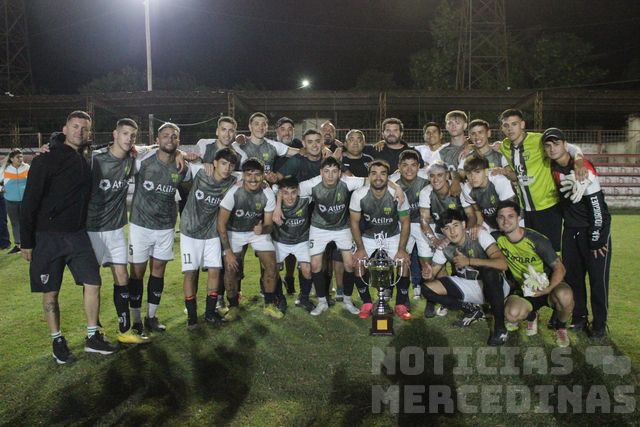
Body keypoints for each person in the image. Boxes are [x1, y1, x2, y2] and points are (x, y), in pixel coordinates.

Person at [20, 110, 116, 364]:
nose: (79, 132)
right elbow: (29, 202)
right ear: (65, 129)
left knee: (93, 282)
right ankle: (57, 340)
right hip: (47, 237)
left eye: (84, 128)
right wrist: (26, 241)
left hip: (77, 235)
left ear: (89, 132)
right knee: (51, 291)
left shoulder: (86, 158)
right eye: (75, 126)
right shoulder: (45, 159)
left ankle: (92, 337)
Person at [86, 118, 157, 344]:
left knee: (122, 277)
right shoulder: (95, 160)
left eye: (132, 135)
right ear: (115, 135)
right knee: (92, 282)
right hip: (92, 229)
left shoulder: (131, 158)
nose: (129, 138)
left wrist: (180, 154)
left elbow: (152, 148)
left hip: (116, 228)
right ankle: (94, 327)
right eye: (125, 133)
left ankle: (125, 330)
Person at [542, 128, 611, 338]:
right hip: (570, 231)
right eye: (548, 145)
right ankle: (579, 318)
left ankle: (599, 324)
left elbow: (598, 208)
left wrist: (597, 239)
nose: (552, 148)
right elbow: (572, 148)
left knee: (598, 281)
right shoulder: (553, 166)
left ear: (564, 144)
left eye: (556, 143)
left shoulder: (583, 167)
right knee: (574, 279)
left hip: (593, 231)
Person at [128, 122, 189, 333]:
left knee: (158, 272)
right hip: (140, 225)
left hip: (165, 227)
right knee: (137, 273)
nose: (170, 139)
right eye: (165, 135)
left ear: (178, 140)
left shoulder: (183, 167)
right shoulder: (143, 161)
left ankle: (151, 317)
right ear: (157, 139)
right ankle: (136, 320)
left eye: (174, 136)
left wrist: (182, 154)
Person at [498, 109, 586, 251]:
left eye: (514, 124)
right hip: (526, 210)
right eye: (506, 125)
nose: (510, 129)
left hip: (548, 207)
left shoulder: (539, 140)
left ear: (522, 124)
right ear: (502, 128)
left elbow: (571, 147)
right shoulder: (505, 145)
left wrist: (579, 161)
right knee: (534, 252)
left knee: (552, 252)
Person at [422, 209, 510, 346]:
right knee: (426, 288)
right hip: (468, 285)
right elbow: (432, 273)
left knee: (489, 272)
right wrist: (428, 274)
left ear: (463, 224)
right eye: (447, 228)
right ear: (443, 231)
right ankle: (471, 309)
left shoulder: (479, 235)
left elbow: (503, 264)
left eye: (455, 225)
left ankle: (500, 328)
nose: (452, 232)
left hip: (495, 286)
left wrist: (469, 261)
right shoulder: (444, 246)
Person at [294, 157, 369, 316]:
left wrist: (396, 188)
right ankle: (322, 302)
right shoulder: (311, 184)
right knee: (315, 265)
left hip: (342, 228)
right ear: (321, 172)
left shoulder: (347, 182)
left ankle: (347, 301)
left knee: (350, 264)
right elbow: (288, 190)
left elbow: (371, 180)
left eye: (334, 171)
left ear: (340, 173)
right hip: (318, 228)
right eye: (326, 171)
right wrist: (278, 207)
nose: (330, 175)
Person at [495, 200, 575, 348]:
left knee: (565, 295)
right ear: (497, 220)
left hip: (548, 287)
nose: (506, 221)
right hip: (524, 289)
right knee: (511, 314)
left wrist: (548, 289)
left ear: (519, 218)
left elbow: (560, 268)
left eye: (510, 216)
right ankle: (532, 315)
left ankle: (560, 327)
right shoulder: (497, 239)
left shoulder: (536, 240)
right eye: (501, 217)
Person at [180, 148, 239, 329]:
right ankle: (192, 317)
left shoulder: (233, 180)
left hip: (212, 233)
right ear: (214, 163)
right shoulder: (200, 172)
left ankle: (210, 313)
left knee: (214, 271)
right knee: (190, 273)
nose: (227, 168)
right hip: (190, 231)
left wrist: (265, 182)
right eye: (223, 163)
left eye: (231, 165)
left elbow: (252, 176)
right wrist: (182, 154)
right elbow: (179, 160)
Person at [217, 158, 281, 319]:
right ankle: (233, 306)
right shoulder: (234, 192)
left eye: (257, 174)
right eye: (249, 174)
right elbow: (221, 223)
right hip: (234, 233)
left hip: (256, 232)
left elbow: (269, 225)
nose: (253, 179)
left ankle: (269, 304)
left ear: (263, 175)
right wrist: (228, 252)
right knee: (231, 268)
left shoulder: (267, 193)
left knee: (272, 266)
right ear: (243, 176)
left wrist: (263, 229)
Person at [350, 160, 413, 320]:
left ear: (388, 177)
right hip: (369, 236)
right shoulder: (359, 195)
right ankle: (367, 303)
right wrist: (360, 249)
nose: (378, 177)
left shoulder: (398, 194)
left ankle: (400, 304)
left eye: (383, 174)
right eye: (374, 173)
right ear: (368, 176)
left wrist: (402, 249)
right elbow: (354, 222)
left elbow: (405, 222)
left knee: (403, 262)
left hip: (392, 235)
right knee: (358, 263)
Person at [390, 150, 432, 300]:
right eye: (405, 165)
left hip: (423, 223)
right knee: (402, 260)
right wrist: (395, 186)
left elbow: (446, 174)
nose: (409, 169)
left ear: (419, 166)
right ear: (398, 167)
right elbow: (378, 179)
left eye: (413, 165)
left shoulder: (426, 176)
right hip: (403, 224)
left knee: (427, 262)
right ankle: (403, 298)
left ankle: (430, 298)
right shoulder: (393, 180)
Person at [272, 176, 315, 312]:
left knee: (307, 269)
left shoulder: (305, 199)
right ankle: (280, 298)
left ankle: (304, 298)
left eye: (293, 192)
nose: (290, 197)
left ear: (298, 191)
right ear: (280, 193)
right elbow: (270, 186)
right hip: (280, 241)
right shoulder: (273, 199)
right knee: (272, 270)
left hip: (301, 240)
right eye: (285, 193)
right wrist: (278, 205)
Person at [233, 112, 299, 184]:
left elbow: (299, 153)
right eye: (257, 124)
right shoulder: (238, 146)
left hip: (265, 188)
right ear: (250, 127)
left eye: (263, 124)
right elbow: (228, 171)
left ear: (267, 127)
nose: (261, 127)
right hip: (243, 187)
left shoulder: (273, 145)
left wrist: (277, 176)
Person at [461, 156, 517, 234]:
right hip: (490, 224)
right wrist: (478, 225)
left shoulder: (499, 181)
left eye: (477, 172)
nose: (473, 177)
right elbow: (478, 211)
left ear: (486, 172)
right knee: (476, 233)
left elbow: (510, 212)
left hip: (513, 221)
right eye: (469, 173)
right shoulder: (467, 188)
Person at [1, 148, 29, 253]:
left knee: (26, 222)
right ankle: (18, 244)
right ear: (12, 159)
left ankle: (29, 243)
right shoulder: (5, 170)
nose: (20, 159)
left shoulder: (27, 168)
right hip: (10, 201)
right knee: (15, 223)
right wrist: (1, 189)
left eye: (21, 156)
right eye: (18, 157)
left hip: (25, 201)